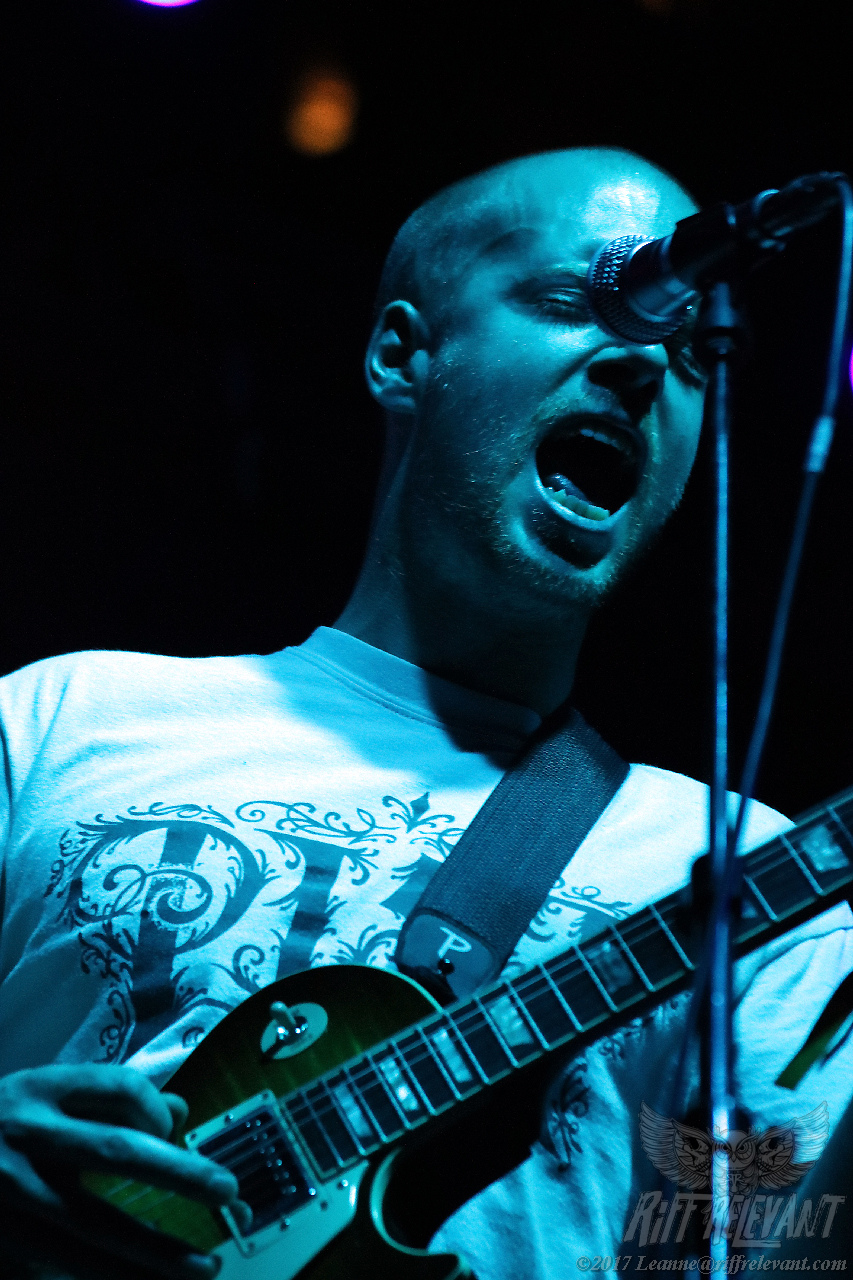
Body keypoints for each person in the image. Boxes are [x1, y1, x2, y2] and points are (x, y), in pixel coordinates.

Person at [0, 147, 851, 1280]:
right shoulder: (60, 718)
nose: (647, 362)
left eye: (695, 352)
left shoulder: (743, 877)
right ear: (403, 353)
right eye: (578, 301)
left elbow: (795, 1255)